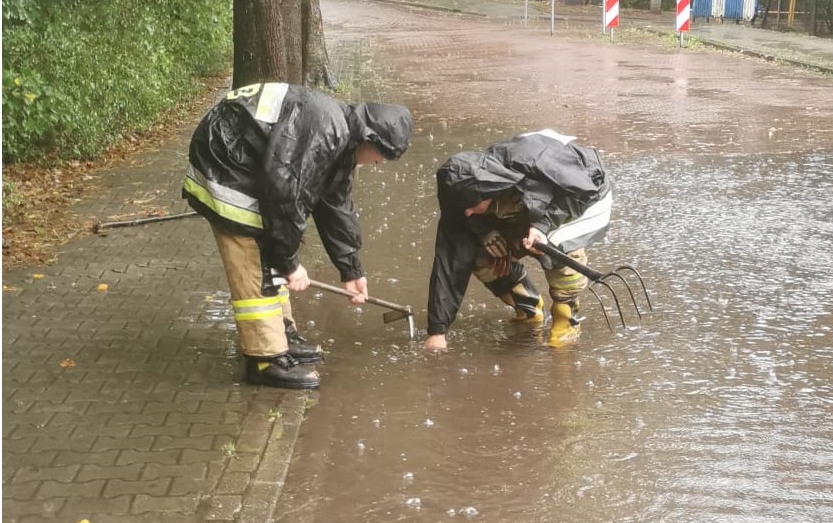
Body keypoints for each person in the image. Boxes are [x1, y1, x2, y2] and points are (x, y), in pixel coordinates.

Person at [183, 81, 412, 389]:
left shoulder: (342, 136)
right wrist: (290, 263)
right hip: (226, 164)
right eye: (381, 154)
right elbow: (285, 195)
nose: (379, 162)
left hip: (246, 161)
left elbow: (336, 204)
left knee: (275, 245)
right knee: (254, 257)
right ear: (369, 138)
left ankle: (281, 334)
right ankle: (265, 358)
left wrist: (351, 269)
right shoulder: (326, 132)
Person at [423, 129, 612, 352]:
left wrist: (541, 227)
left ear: (486, 192)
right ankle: (529, 307)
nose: (466, 212)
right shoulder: (465, 190)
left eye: (471, 206)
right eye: (461, 207)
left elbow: (583, 191)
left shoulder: (533, 167)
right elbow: (449, 260)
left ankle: (566, 317)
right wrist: (438, 331)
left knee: (553, 245)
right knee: (475, 249)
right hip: (525, 202)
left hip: (582, 194)